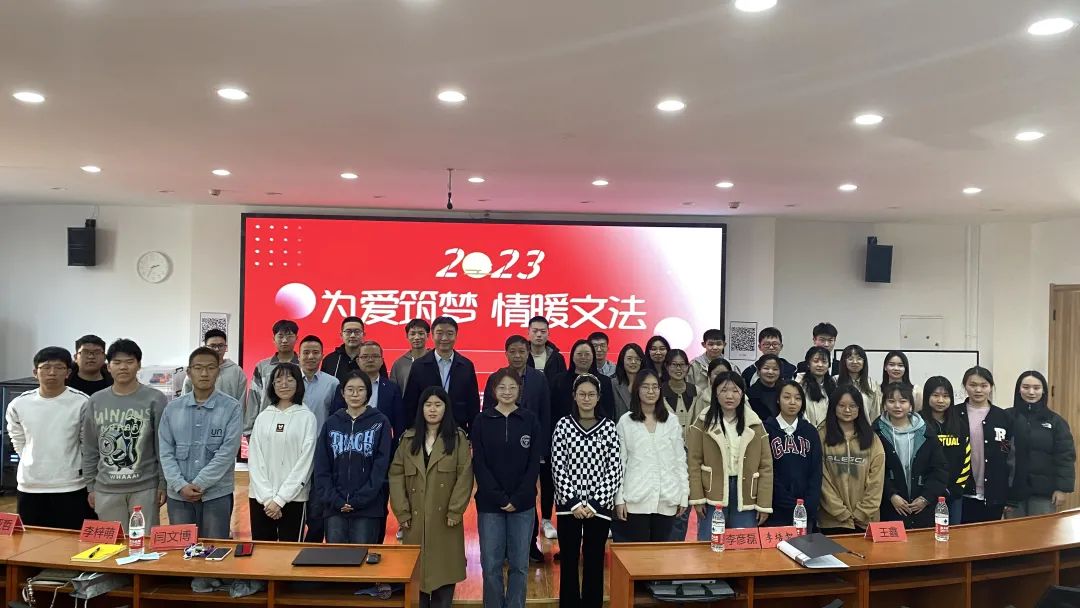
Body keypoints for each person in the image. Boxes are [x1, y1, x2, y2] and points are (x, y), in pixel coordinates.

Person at [389, 387, 473, 608]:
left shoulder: (457, 439)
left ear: (446, 408)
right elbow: (396, 476)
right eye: (428, 405)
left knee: (443, 577)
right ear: (421, 409)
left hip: (445, 520)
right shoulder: (408, 439)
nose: (433, 409)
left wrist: (455, 510)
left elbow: (465, 476)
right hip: (414, 520)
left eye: (438, 405)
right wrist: (402, 512)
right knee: (416, 580)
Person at [471, 369, 541, 608]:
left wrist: (518, 497)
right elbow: (479, 463)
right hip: (490, 505)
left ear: (519, 390)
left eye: (512, 387)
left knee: (519, 565)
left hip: (523, 504)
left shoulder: (529, 419)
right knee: (491, 564)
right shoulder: (482, 420)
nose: (507, 392)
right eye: (502, 387)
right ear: (493, 391)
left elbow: (533, 463)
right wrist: (500, 497)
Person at [550, 375, 622, 608]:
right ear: (574, 396)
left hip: (598, 508)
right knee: (569, 561)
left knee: (594, 561)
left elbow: (614, 469)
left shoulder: (609, 427)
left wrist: (594, 504)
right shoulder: (563, 425)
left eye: (591, 394)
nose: (587, 398)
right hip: (568, 507)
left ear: (599, 397)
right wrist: (573, 502)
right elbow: (557, 466)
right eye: (582, 394)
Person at [82, 339, 168, 531]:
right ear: (108, 366)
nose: (123, 367)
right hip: (106, 488)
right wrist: (91, 486)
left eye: (129, 362)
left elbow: (162, 446)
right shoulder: (96, 401)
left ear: (139, 365)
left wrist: (163, 484)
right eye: (117, 362)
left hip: (145, 487)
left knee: (144, 542)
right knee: (113, 543)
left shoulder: (155, 399)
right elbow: (89, 447)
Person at [159, 347, 243, 539]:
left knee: (215, 550)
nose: (204, 373)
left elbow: (228, 452)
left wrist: (199, 483)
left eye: (210, 368)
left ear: (218, 372)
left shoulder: (232, 408)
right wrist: (180, 485)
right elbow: (165, 451)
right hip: (179, 495)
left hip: (216, 494)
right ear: (189, 372)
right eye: (198, 368)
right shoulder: (172, 409)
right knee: (181, 549)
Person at [7, 346, 93, 529]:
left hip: (70, 484)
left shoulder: (82, 402)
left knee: (69, 539)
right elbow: (17, 439)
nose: (52, 372)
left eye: (59, 367)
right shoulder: (19, 404)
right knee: (30, 539)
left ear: (68, 372)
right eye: (45, 367)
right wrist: (32, 459)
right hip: (30, 484)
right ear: (35, 372)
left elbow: (86, 443)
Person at [481, 336, 551, 560]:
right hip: (499, 449)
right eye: (513, 351)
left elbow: (545, 414)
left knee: (528, 494)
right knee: (501, 493)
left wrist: (542, 450)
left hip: (529, 447)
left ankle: (529, 545)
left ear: (528, 352)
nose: (517, 356)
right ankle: (503, 550)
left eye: (522, 351)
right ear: (506, 353)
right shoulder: (496, 378)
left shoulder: (539, 379)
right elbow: (487, 414)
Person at [687, 371, 772, 538]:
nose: (729, 396)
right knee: (710, 542)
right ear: (715, 393)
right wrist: (697, 497)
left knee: (743, 545)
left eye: (735, 391)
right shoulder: (703, 421)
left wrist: (764, 503)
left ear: (742, 394)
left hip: (746, 493)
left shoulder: (754, 422)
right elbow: (694, 461)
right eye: (724, 390)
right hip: (712, 492)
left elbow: (766, 465)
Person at [315, 371, 392, 543]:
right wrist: (335, 499)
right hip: (335, 507)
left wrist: (360, 499)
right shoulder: (331, 423)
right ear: (342, 393)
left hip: (368, 508)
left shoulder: (380, 422)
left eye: (360, 389)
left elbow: (381, 467)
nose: (355, 394)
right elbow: (322, 465)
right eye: (350, 389)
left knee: (363, 556)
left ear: (368, 393)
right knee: (337, 557)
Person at [613, 369, 688, 542]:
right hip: (635, 499)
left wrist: (683, 495)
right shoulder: (626, 421)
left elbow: (680, 461)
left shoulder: (671, 421)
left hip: (667, 497)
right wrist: (619, 498)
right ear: (637, 390)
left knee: (660, 553)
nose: (651, 391)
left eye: (655, 387)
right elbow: (620, 463)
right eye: (645, 387)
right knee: (639, 553)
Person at [248, 363, 317, 542]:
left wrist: (280, 500)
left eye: (289, 379)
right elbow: (255, 459)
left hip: (294, 498)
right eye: (278, 380)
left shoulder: (307, 417)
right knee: (262, 552)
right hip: (260, 499)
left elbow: (306, 462)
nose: (284, 384)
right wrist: (267, 498)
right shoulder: (263, 417)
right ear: (272, 385)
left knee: (290, 553)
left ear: (298, 383)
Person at [874, 383, 947, 530]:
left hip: (922, 507)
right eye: (891, 401)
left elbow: (939, 469)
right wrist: (891, 495)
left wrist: (926, 498)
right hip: (889, 506)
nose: (897, 406)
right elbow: (873, 472)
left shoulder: (926, 432)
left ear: (911, 405)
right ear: (884, 404)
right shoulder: (875, 432)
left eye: (903, 401)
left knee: (922, 543)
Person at [1007, 371, 1075, 518]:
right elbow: (1000, 452)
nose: (1031, 392)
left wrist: (1062, 489)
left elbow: (1065, 457)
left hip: (1044, 493)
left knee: (1042, 531)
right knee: (1013, 532)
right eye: (1026, 387)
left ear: (1043, 391)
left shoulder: (1056, 422)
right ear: (1019, 389)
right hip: (1013, 493)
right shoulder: (1007, 417)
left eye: (1036, 388)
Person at [818, 386, 885, 535]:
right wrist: (839, 511)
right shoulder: (821, 436)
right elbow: (822, 479)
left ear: (860, 408)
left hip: (866, 521)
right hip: (831, 521)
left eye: (853, 406)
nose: (847, 410)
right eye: (842, 405)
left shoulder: (872, 438)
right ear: (833, 407)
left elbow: (877, 481)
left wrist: (862, 512)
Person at [295, 335, 340, 542]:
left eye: (315, 352)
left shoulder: (332, 383)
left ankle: (312, 547)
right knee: (293, 504)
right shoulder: (288, 381)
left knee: (317, 508)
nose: (311, 357)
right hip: (292, 453)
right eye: (306, 352)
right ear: (298, 355)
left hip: (320, 453)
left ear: (322, 355)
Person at [402, 317, 481, 433]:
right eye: (439, 333)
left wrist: (473, 434)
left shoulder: (466, 366)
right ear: (432, 335)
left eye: (450, 334)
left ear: (456, 336)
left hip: (457, 429)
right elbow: (410, 402)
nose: (444, 338)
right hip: (426, 430)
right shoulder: (419, 366)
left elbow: (473, 404)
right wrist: (413, 430)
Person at [954, 367, 1012, 523]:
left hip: (994, 493)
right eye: (973, 385)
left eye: (984, 385)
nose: (978, 390)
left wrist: (1008, 494)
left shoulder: (1003, 417)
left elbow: (1007, 454)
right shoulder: (954, 414)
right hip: (962, 492)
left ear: (991, 387)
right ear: (965, 386)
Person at [762, 380, 822, 529]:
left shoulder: (810, 432)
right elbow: (766, 469)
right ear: (778, 399)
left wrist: (808, 504)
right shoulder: (766, 429)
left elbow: (816, 471)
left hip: (805, 509)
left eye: (798, 398)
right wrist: (786, 501)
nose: (792, 402)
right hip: (775, 508)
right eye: (787, 397)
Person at [920, 376, 970, 523]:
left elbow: (966, 458)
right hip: (924, 495)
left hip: (953, 494)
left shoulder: (960, 423)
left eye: (945, 396)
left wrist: (956, 488)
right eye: (935, 395)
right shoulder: (917, 422)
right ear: (927, 397)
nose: (941, 400)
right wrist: (927, 492)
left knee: (953, 534)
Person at [247, 319, 300, 434]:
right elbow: (254, 398)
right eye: (280, 336)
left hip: (296, 426)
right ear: (273, 339)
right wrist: (249, 430)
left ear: (297, 338)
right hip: (266, 426)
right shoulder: (262, 366)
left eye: (289, 336)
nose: (284, 340)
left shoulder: (303, 366)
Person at [552, 340, 615, 425]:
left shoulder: (604, 381)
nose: (583, 357)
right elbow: (554, 410)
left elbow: (608, 410)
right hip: (565, 428)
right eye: (579, 354)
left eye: (587, 354)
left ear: (593, 356)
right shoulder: (559, 380)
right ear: (572, 356)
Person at [181, 329, 248, 403]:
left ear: (225, 347)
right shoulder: (195, 370)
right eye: (212, 346)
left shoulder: (236, 371)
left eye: (220, 345)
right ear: (205, 347)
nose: (217, 349)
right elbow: (184, 398)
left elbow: (241, 401)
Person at [835, 344, 881, 422]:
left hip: (865, 427)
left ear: (864, 362)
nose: (855, 362)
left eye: (859, 359)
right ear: (844, 361)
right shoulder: (835, 381)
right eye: (850, 359)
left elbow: (875, 414)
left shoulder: (872, 384)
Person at [688, 329, 737, 397]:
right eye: (711, 344)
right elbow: (689, 388)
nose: (715, 347)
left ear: (724, 344)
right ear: (704, 344)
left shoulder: (731, 366)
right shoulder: (695, 365)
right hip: (700, 401)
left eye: (719, 344)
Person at [796, 346, 836, 428]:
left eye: (824, 362)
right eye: (816, 361)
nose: (820, 365)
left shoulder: (833, 385)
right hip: (806, 430)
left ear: (829, 365)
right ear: (808, 364)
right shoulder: (799, 385)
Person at [321, 316, 366, 383]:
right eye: (348, 331)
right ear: (341, 335)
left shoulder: (372, 358)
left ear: (363, 334)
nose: (352, 335)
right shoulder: (330, 360)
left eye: (357, 331)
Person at [389, 318, 431, 390]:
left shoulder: (435, 359)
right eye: (412, 334)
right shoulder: (399, 364)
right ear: (407, 336)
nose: (417, 337)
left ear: (428, 336)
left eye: (421, 333)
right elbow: (393, 390)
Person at [525, 315, 567, 385]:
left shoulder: (557, 358)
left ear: (548, 333)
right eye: (535, 331)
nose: (539, 335)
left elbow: (563, 383)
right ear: (528, 332)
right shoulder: (522, 356)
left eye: (543, 331)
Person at [663, 349, 697, 429]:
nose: (678, 368)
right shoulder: (659, 391)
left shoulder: (696, 391)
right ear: (667, 366)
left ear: (688, 366)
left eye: (682, 364)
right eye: (674, 364)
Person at [612, 343, 646, 423]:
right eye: (629, 358)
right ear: (622, 360)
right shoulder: (612, 384)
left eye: (637, 359)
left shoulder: (647, 383)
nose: (633, 362)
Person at [746, 354, 783, 421]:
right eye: (766, 368)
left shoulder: (784, 391)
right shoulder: (749, 394)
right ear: (758, 371)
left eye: (775, 369)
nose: (770, 372)